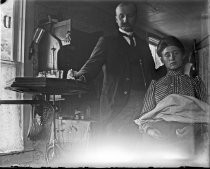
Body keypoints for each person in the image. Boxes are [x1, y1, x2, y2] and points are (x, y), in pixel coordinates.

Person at [70, 2, 158, 144]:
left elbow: (152, 73)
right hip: (117, 103)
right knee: (115, 143)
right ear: (116, 19)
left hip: (143, 103)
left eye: (129, 16)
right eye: (121, 16)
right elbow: (92, 64)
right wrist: (79, 75)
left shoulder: (143, 44)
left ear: (136, 17)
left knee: (138, 143)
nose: (125, 20)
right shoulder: (107, 42)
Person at [135, 36, 208, 155]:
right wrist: (150, 130)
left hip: (190, 135)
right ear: (162, 59)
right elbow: (144, 116)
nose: (172, 58)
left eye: (176, 53)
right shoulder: (155, 85)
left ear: (183, 55)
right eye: (167, 55)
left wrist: (195, 129)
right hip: (159, 136)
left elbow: (206, 112)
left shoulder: (195, 82)